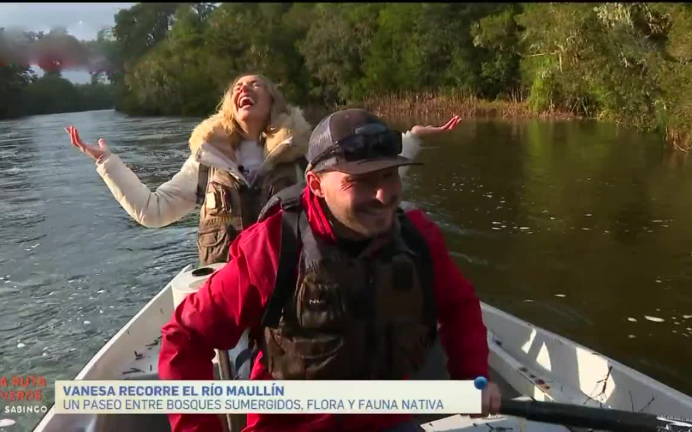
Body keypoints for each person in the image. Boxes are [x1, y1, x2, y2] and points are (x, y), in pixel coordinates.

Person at [158, 108, 500, 432]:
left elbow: (459, 306)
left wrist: (474, 379)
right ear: (316, 184)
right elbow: (185, 337)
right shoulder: (271, 247)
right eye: (361, 180)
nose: (384, 194)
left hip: (384, 422)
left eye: (389, 174)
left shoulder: (417, 235)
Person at [65, 74, 313, 265]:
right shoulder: (207, 160)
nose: (243, 88)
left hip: (289, 288)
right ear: (229, 106)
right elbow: (154, 211)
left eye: (255, 84)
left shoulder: (302, 157)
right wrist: (107, 163)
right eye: (237, 87)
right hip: (227, 297)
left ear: (273, 101)